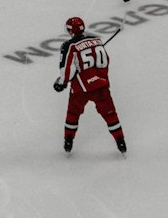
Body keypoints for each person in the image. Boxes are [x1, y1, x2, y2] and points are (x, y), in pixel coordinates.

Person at [54, 17, 126, 155]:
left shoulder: (69, 45)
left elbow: (67, 70)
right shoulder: (97, 40)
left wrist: (61, 83)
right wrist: (98, 77)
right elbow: (105, 62)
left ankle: (68, 141)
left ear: (70, 30)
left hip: (81, 89)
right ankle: (120, 141)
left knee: (73, 113)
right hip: (101, 86)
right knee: (110, 114)